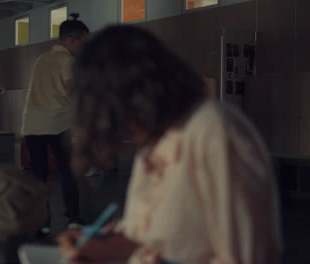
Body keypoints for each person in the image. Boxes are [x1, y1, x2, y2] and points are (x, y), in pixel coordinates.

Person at [58, 26, 282, 264]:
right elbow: (149, 238)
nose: (121, 128)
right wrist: (101, 245)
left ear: (140, 93)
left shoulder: (214, 131)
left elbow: (242, 258)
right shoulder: (155, 137)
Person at [21, 13, 89, 234]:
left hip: (31, 124)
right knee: (67, 172)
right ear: (71, 39)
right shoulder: (67, 61)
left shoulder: (41, 58)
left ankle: (41, 222)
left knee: (38, 174)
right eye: (83, 43)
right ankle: (73, 218)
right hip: (57, 124)